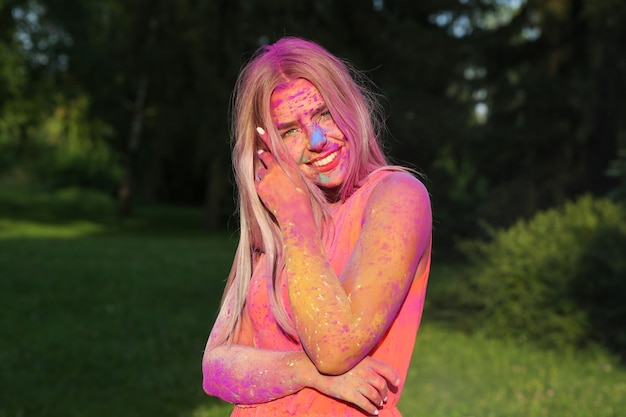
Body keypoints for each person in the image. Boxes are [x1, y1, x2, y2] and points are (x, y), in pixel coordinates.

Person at [202, 36, 432, 417]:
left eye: (324, 113)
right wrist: (305, 373)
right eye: (289, 131)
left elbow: (335, 349)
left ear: (350, 106)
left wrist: (295, 221)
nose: (317, 140)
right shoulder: (271, 221)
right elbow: (215, 370)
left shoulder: (396, 197)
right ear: (267, 146)